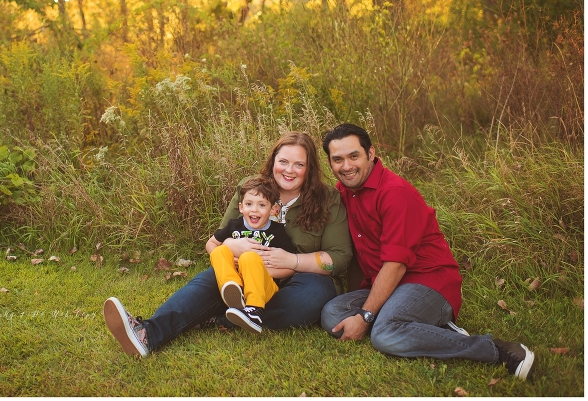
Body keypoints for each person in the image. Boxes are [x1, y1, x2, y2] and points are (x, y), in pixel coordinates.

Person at [103, 131, 353, 357]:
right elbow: (219, 242)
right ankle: (147, 333)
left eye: (299, 164)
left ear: (309, 168)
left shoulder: (327, 199)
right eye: (283, 162)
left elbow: (340, 257)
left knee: (313, 296)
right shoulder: (251, 189)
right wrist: (231, 247)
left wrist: (293, 261)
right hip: (244, 271)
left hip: (301, 278)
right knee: (210, 280)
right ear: (273, 162)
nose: (290, 170)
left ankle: (222, 317)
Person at [319, 123, 535, 380]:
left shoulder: (395, 193)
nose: (346, 166)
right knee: (331, 314)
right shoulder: (343, 192)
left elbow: (396, 264)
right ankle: (426, 326)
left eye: (354, 156)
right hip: (385, 283)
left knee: (385, 334)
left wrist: (365, 317)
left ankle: (495, 350)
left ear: (371, 153)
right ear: (330, 162)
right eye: (338, 159)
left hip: (428, 281)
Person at [207, 176, 298, 334]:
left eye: (262, 205)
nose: (254, 210)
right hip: (237, 279)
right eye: (249, 204)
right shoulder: (234, 225)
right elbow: (210, 243)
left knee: (249, 257)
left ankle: (255, 311)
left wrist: (261, 270)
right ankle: (232, 289)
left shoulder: (277, 232)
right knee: (220, 250)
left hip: (264, 288)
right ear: (241, 207)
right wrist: (231, 260)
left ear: (273, 210)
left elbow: (291, 267)